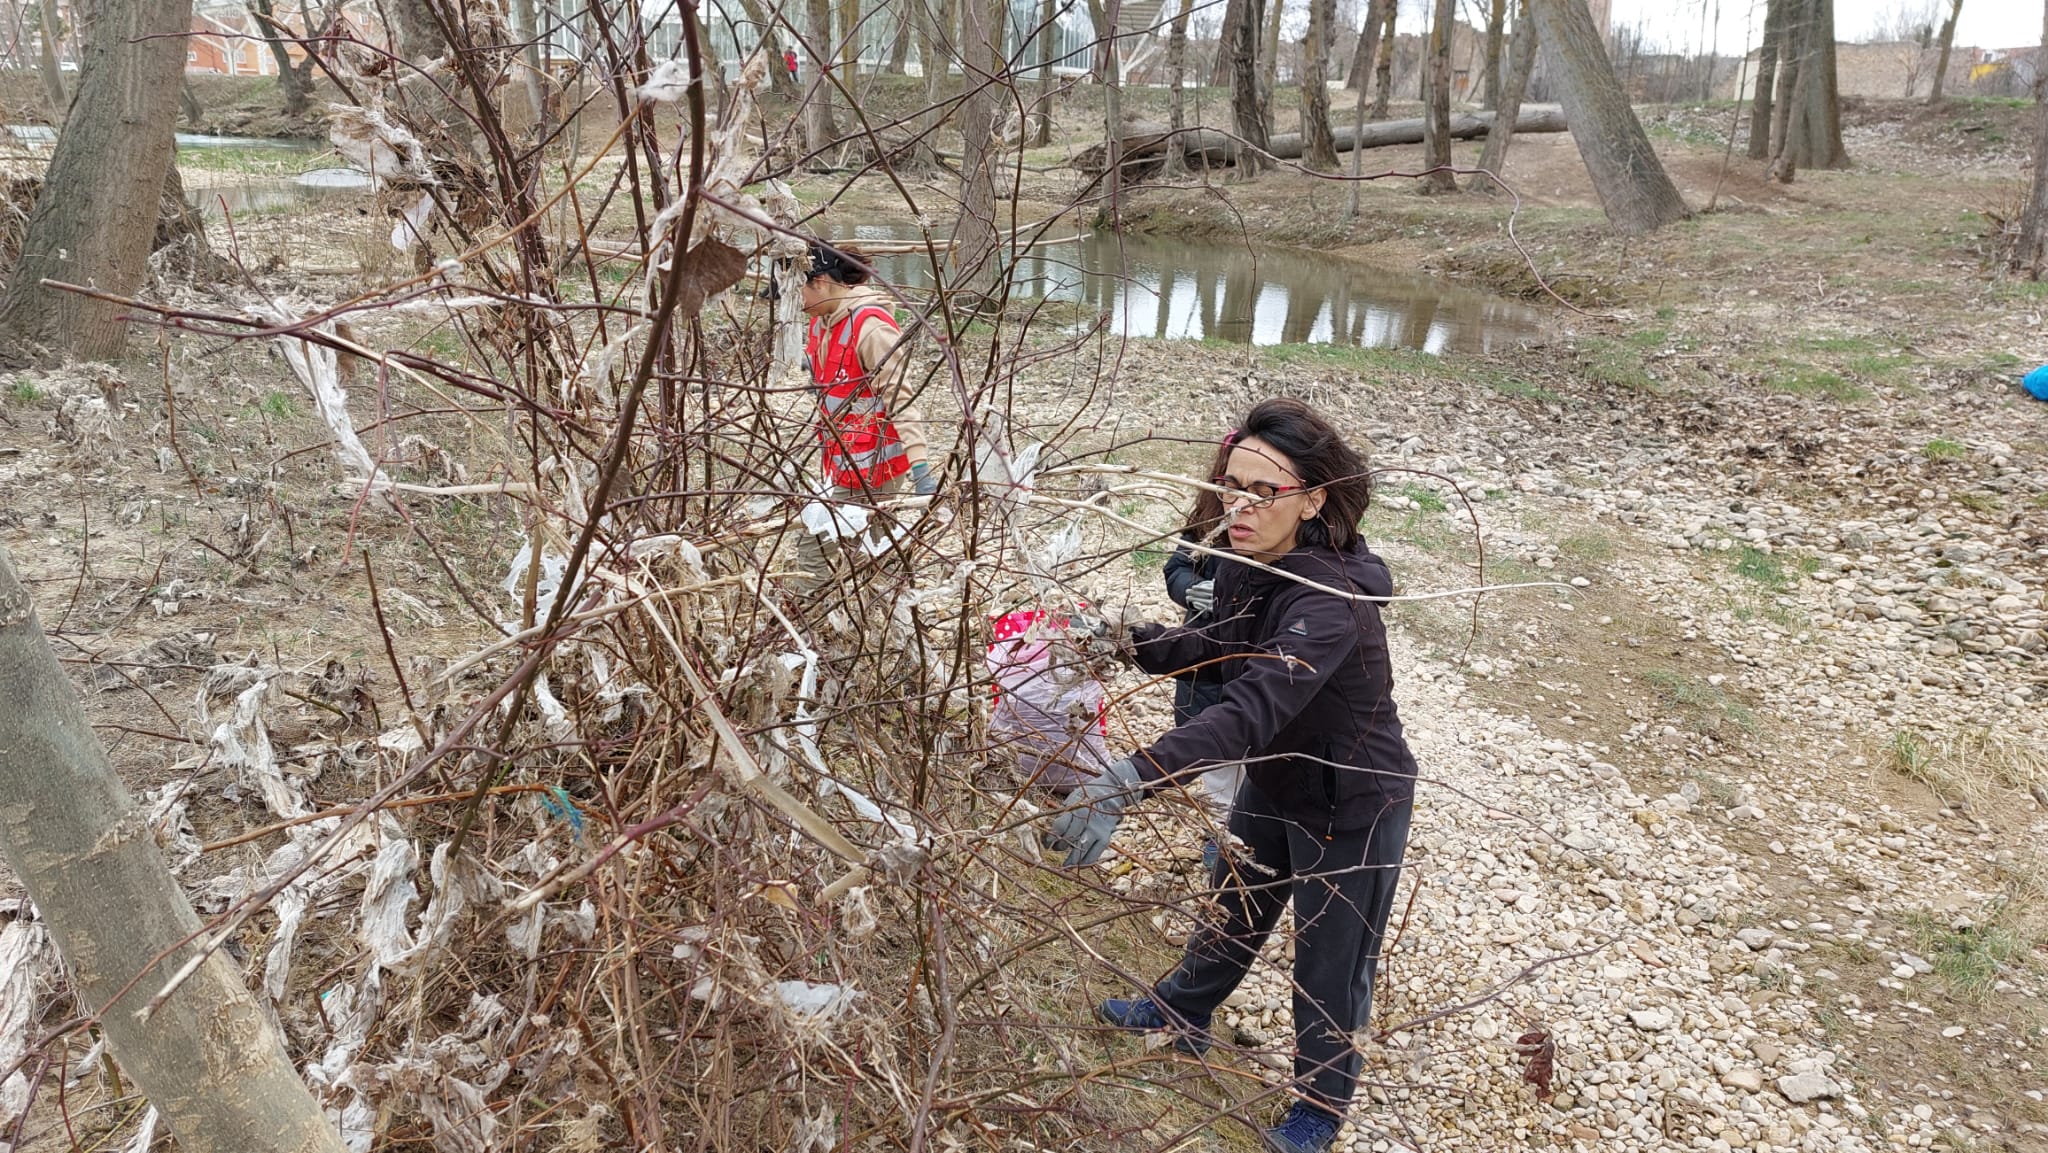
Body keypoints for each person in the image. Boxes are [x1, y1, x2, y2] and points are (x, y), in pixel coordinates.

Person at [1046, 399, 1418, 1153]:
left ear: (1314, 499)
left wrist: (1130, 776)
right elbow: (1219, 642)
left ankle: (1319, 1106)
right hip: (1278, 780)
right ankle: (1184, 1008)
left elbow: (1249, 707)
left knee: (1330, 960)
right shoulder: (1261, 566)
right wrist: (1126, 641)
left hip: (1353, 803)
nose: (1236, 507)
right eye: (1230, 485)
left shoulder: (1331, 598)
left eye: (1263, 492)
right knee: (1235, 904)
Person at [789, 242, 937, 592]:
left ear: (821, 281)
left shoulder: (871, 329)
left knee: (869, 560)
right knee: (824, 550)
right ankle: (823, 627)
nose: (796, 304)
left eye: (799, 292)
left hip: (877, 473)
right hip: (840, 466)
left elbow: (902, 399)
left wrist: (921, 470)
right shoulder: (820, 322)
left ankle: (857, 625)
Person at [1160, 438, 1236, 870]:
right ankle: (1223, 835)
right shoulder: (1209, 513)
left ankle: (1251, 830)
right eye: (1229, 478)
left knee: (1259, 748)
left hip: (1255, 657)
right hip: (1204, 659)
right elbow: (1176, 567)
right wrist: (1191, 590)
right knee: (1213, 750)